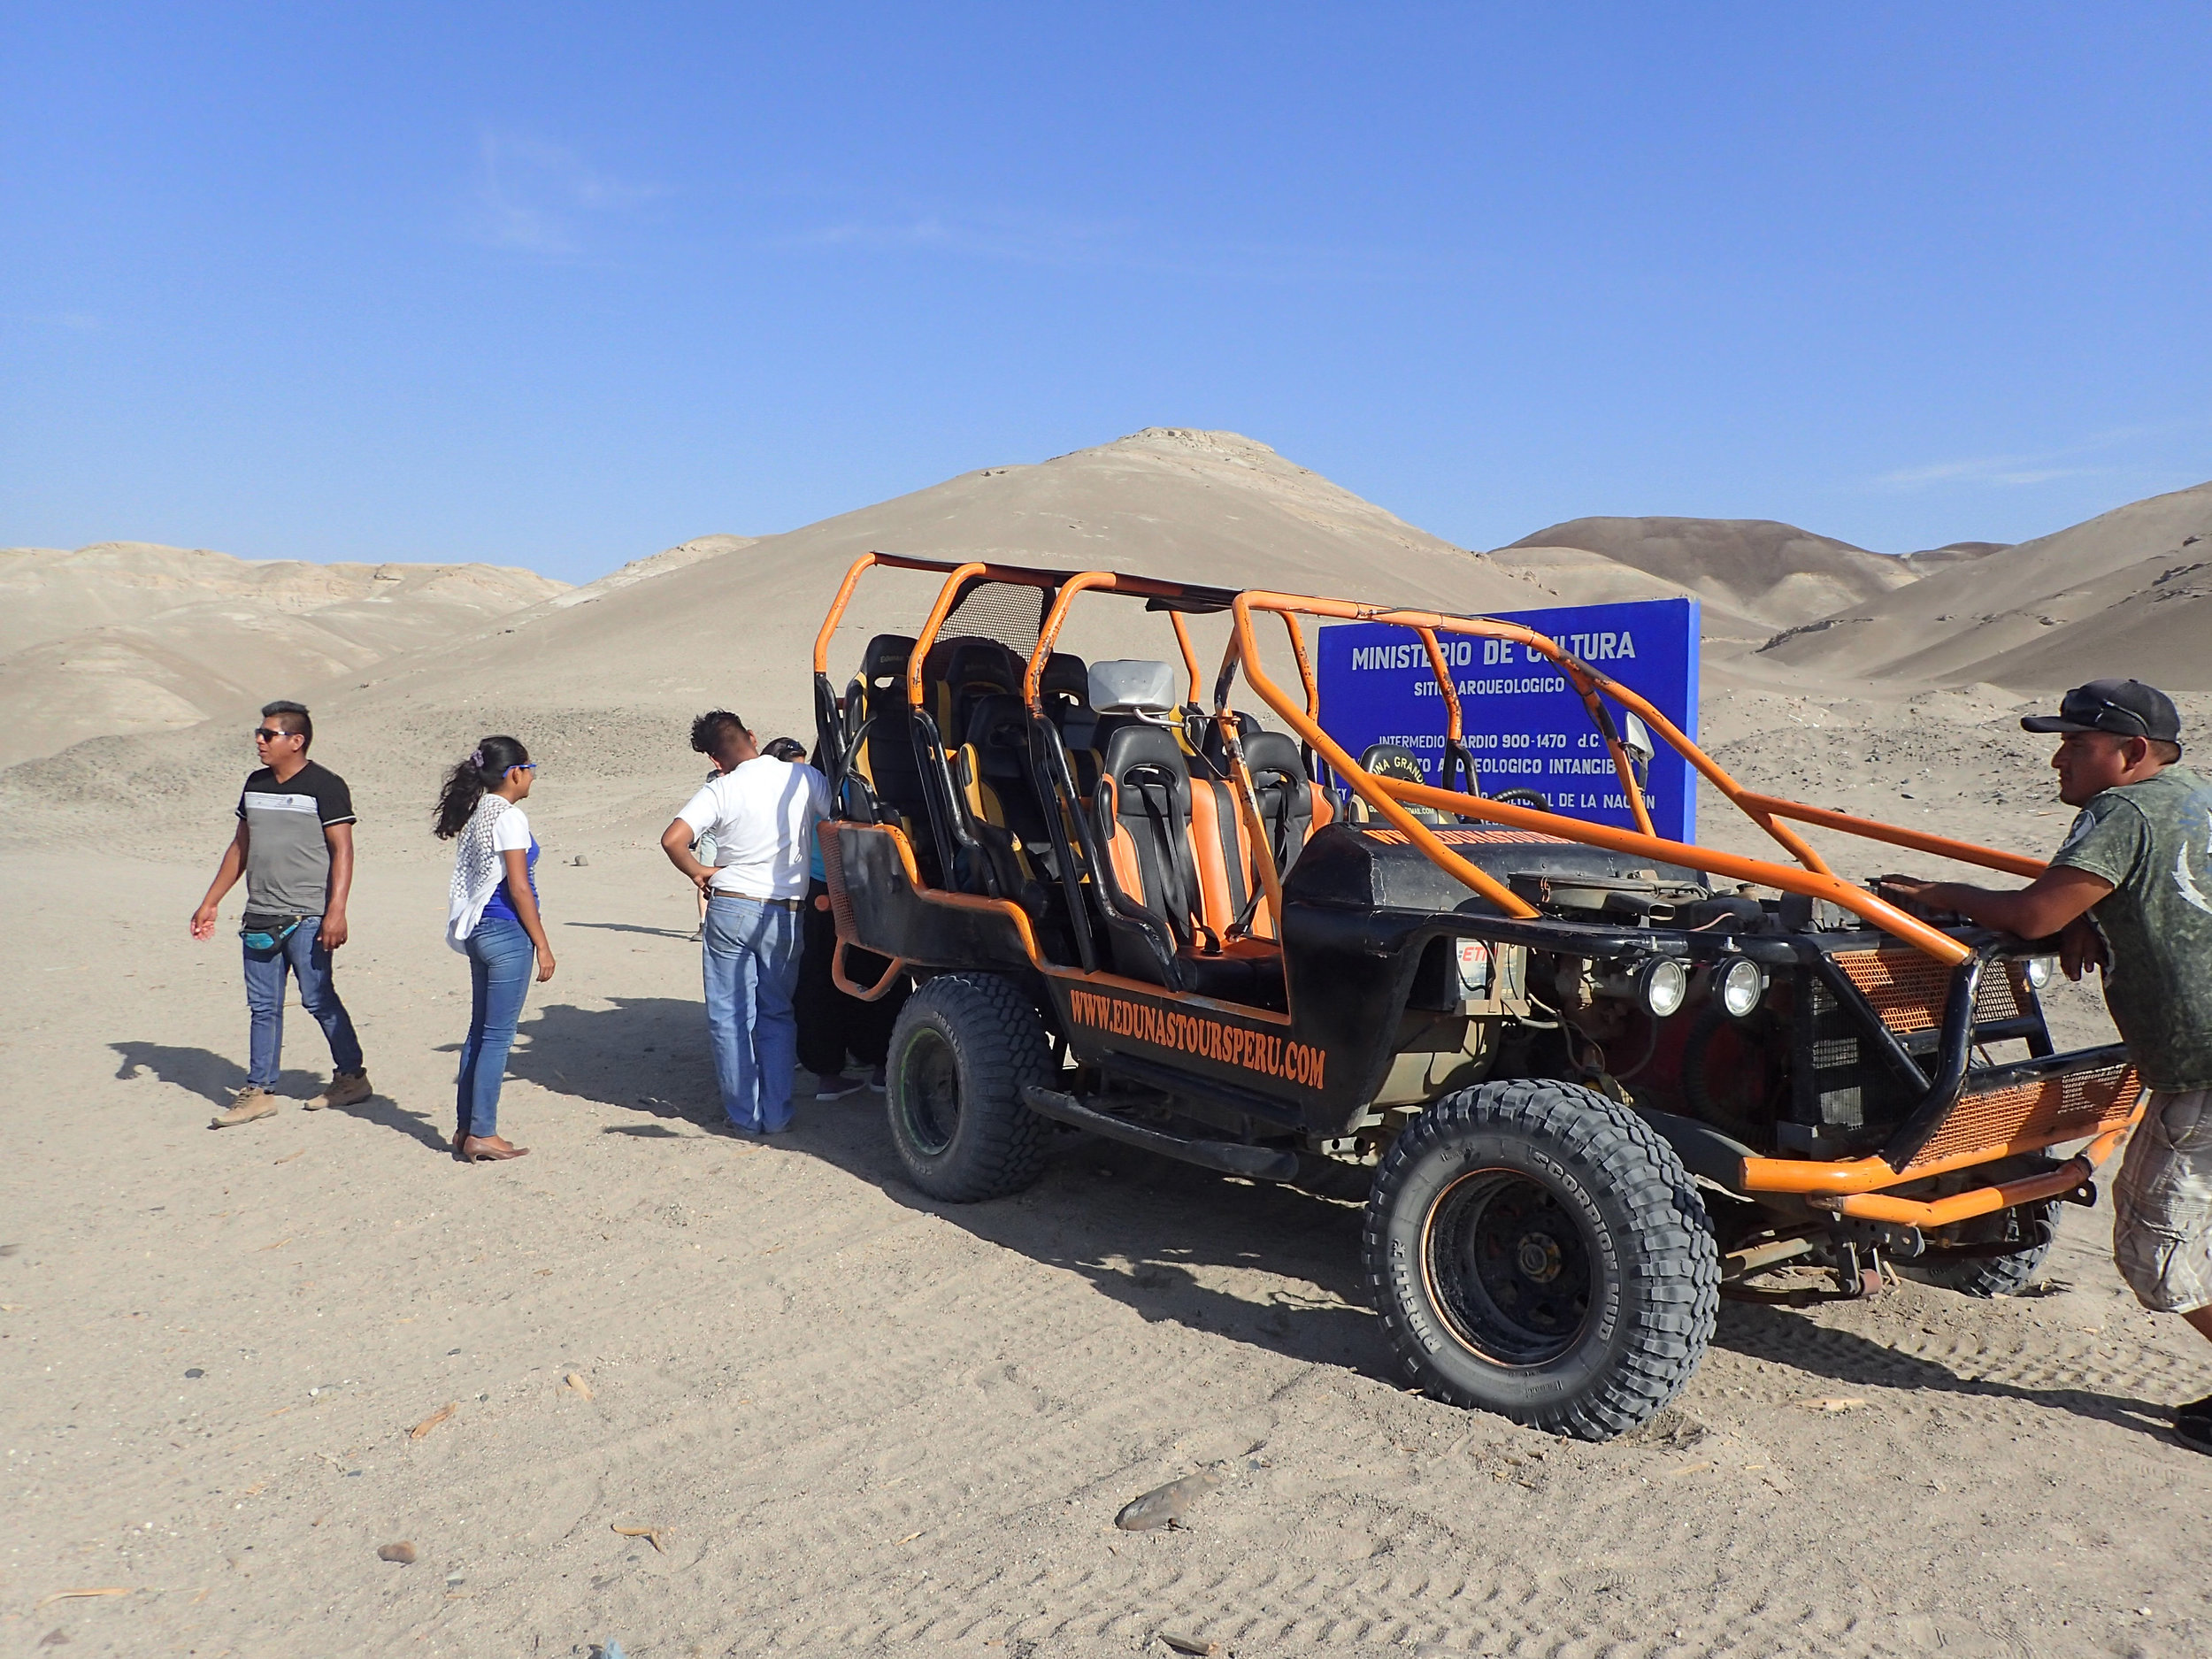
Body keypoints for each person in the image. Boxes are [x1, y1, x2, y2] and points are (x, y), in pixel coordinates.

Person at [1875, 679, 2212, 1448]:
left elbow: (2032, 915)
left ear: (2130, 754)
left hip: (2202, 1064)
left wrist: (1939, 892)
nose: (2058, 759)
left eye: (2077, 745)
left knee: (2154, 1245)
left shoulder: (2119, 811)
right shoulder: (2193, 793)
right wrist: (2093, 912)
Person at [190, 700, 369, 1127]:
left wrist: (336, 912)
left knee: (318, 999)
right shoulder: (255, 784)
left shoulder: (325, 786)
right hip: (260, 914)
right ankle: (259, 1092)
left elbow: (342, 850)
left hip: (308, 915)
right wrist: (211, 900)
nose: (259, 741)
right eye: (259, 732)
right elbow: (241, 846)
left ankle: (351, 1078)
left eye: (268, 734)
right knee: (263, 1006)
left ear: (296, 740)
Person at [660, 711, 827, 1136]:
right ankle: (777, 1114)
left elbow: (672, 839)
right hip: (786, 911)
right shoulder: (804, 778)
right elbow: (835, 826)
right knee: (777, 1012)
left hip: (731, 905)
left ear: (716, 759)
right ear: (753, 736)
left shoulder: (721, 788)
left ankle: (743, 1115)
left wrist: (699, 871)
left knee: (730, 1015)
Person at [763, 736, 910, 1099]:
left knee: (819, 979)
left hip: (818, 891)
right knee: (879, 974)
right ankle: (880, 1065)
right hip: (866, 891)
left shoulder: (803, 783)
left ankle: (828, 1071)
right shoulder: (858, 783)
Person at [435, 736, 556, 1162]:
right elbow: (520, 887)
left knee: (480, 1031)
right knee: (498, 1036)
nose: (533, 775)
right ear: (515, 773)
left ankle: (467, 1127)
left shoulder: (480, 812)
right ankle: (483, 1132)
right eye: (530, 767)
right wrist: (542, 944)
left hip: (480, 931)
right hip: (507, 932)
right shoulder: (509, 817)